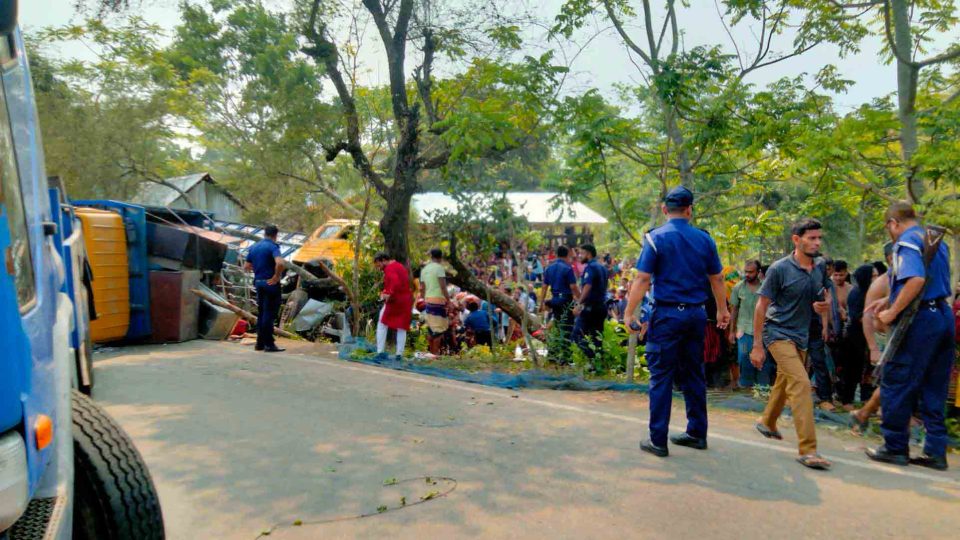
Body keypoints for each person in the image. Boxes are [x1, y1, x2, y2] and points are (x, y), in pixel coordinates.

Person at [624, 186, 730, 458]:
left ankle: (658, 440)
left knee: (661, 376)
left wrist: (629, 312)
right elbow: (717, 278)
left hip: (667, 315)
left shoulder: (655, 238)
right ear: (690, 210)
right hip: (696, 315)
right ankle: (697, 433)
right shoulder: (705, 240)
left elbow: (643, 279)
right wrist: (721, 310)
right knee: (694, 373)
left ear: (664, 209)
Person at [867, 202, 954, 471]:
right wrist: (890, 297)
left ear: (893, 223)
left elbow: (915, 279)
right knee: (934, 385)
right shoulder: (935, 241)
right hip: (942, 314)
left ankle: (894, 447)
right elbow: (929, 281)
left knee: (897, 379)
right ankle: (935, 451)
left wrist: (892, 311)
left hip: (920, 322)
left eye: (889, 229)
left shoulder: (905, 243)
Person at [751, 218, 833, 470]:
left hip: (802, 335)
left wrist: (823, 307)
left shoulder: (819, 266)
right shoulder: (779, 269)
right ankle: (808, 449)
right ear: (796, 240)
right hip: (777, 332)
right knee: (801, 383)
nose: (817, 242)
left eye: (819, 238)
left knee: (785, 382)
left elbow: (822, 296)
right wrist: (757, 345)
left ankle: (767, 422)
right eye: (811, 238)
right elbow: (761, 305)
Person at [837, 264, 877, 409]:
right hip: (854, 338)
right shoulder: (858, 294)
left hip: (862, 337)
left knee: (861, 370)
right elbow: (857, 317)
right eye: (873, 276)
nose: (876, 279)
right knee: (851, 370)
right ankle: (846, 400)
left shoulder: (869, 293)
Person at [729, 260, 773, 388]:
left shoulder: (766, 287)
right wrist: (731, 331)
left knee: (763, 361)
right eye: (746, 272)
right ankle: (745, 387)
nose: (747, 274)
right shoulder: (738, 287)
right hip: (744, 330)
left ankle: (763, 388)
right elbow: (734, 310)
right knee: (744, 359)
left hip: (764, 330)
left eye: (750, 272)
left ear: (758, 272)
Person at [244, 224, 286, 353]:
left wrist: (258, 269)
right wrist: (276, 276)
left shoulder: (255, 247)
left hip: (258, 282)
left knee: (262, 313)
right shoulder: (273, 246)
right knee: (269, 314)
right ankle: (269, 344)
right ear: (275, 235)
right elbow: (280, 262)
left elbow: (246, 266)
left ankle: (259, 343)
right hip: (270, 284)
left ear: (264, 233)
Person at [540, 245, 580, 361]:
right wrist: (581, 298)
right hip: (565, 301)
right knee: (567, 328)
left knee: (556, 325)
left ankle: (552, 353)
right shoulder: (568, 268)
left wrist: (541, 303)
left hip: (554, 300)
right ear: (567, 255)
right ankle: (565, 356)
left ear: (557, 254)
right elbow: (573, 286)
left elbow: (544, 287)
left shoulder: (549, 268)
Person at [572, 244, 609, 365]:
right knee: (596, 338)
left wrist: (579, 304)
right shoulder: (602, 268)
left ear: (588, 254)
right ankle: (598, 365)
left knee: (577, 334)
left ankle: (592, 358)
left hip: (591, 309)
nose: (579, 256)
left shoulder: (590, 267)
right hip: (601, 307)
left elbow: (587, 286)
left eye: (581, 253)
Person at [374, 252, 413, 358]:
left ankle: (380, 352)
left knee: (382, 324)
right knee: (401, 327)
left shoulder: (389, 268)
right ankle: (399, 355)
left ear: (383, 260)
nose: (379, 268)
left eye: (379, 265)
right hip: (406, 300)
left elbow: (395, 282)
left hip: (395, 301)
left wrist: (388, 293)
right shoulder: (399, 266)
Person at [420, 248, 451, 355]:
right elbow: (443, 286)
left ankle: (431, 353)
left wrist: (423, 299)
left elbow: (422, 288)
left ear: (431, 256)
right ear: (441, 257)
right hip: (439, 301)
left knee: (430, 328)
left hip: (428, 301)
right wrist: (449, 300)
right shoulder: (439, 268)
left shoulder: (424, 270)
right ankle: (435, 354)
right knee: (438, 331)